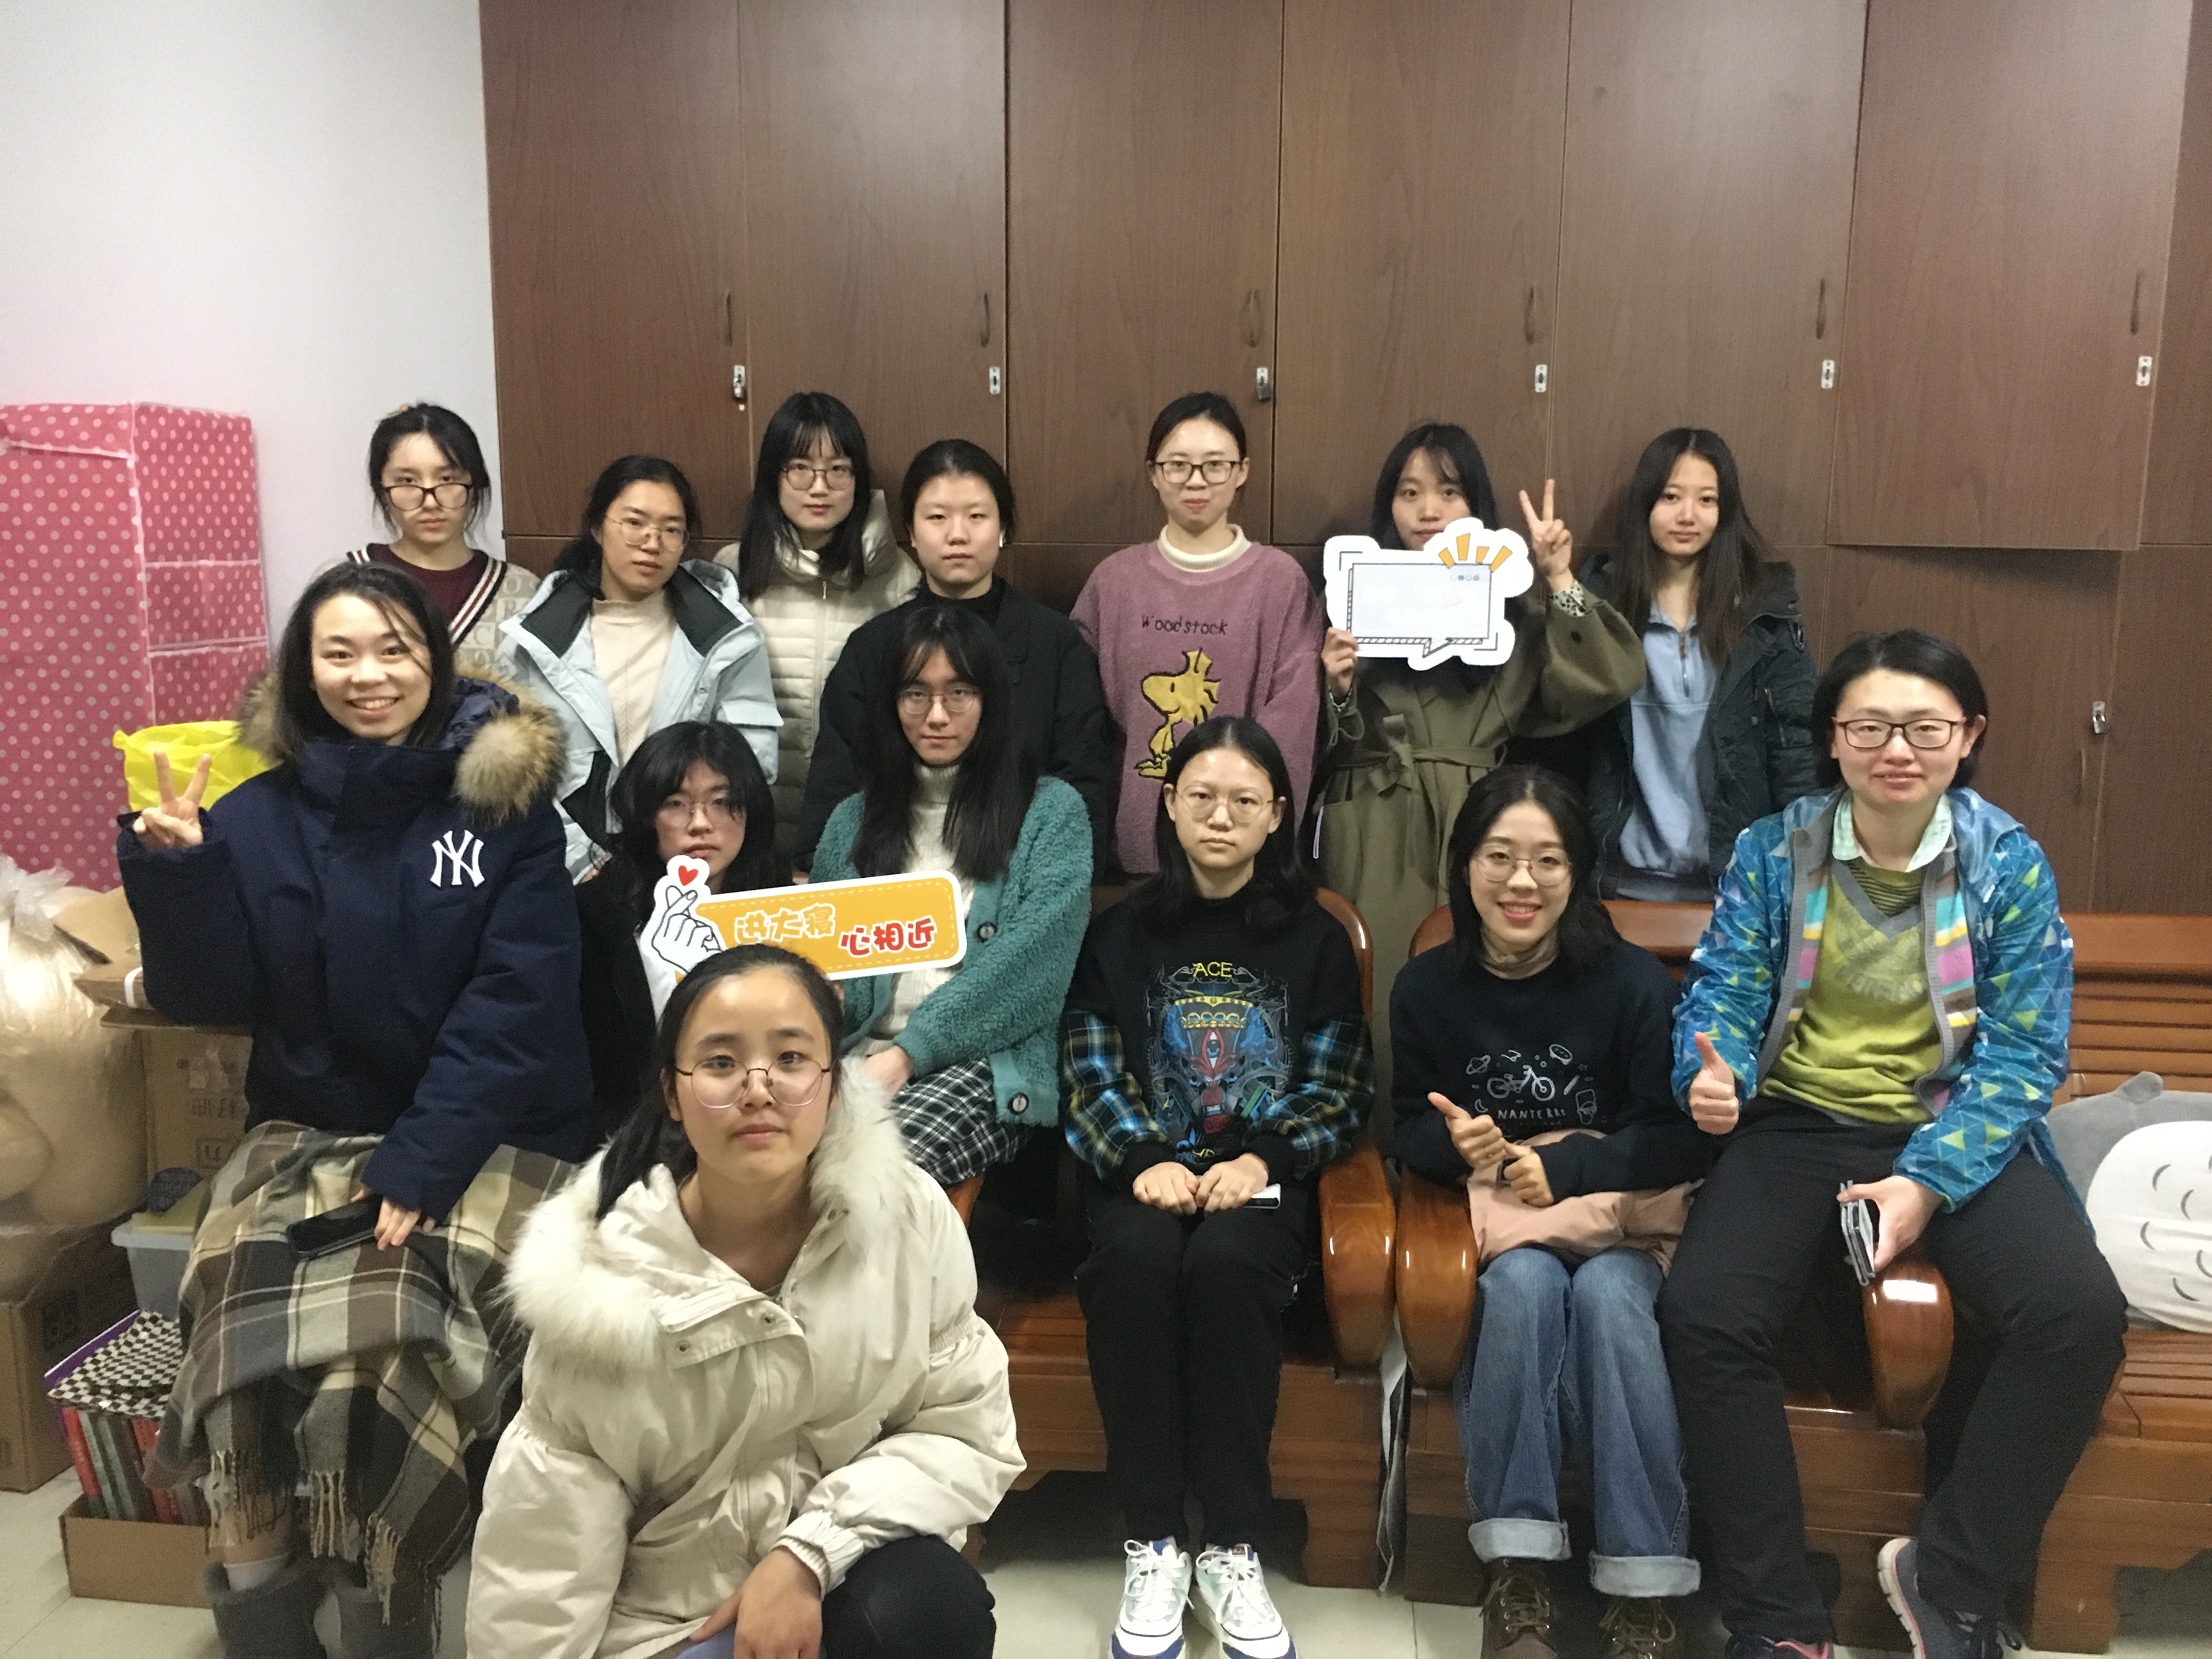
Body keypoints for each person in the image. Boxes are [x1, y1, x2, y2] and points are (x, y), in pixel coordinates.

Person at [116, 562, 596, 1659]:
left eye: (394, 649)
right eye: (339, 653)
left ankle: (387, 1613)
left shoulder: (504, 810)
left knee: (387, 1343)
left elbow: (516, 1006)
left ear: (436, 662)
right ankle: (267, 1623)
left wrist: (420, 1161)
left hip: (493, 1130)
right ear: (304, 670)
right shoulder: (253, 815)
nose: (368, 674)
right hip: (307, 1130)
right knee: (232, 1322)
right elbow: (209, 997)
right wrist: (181, 875)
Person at [1657, 630, 2128, 1659]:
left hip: (1952, 1127)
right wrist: (1710, 1072)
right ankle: (1779, 1618)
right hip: (1798, 1122)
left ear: (1969, 736)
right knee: (1704, 1314)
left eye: (1924, 727)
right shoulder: (1775, 849)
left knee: (2077, 1315)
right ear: (1833, 738)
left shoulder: (2007, 862)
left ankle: (1952, 1582)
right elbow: (1723, 990)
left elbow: (2024, 1055)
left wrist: (1925, 1182)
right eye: (1869, 727)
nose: (1897, 750)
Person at [468, 944, 1019, 1659]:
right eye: (722, 1062)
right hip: (671, 1624)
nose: (759, 1090)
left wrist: (805, 1557)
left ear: (834, 1083)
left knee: (929, 1606)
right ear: (672, 1093)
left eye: (791, 1058)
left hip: (837, 1573)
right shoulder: (600, 1290)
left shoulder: (905, 1220)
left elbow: (964, 1430)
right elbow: (544, 1553)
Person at [1064, 717, 1372, 1659]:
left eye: (1245, 799)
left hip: (1259, 1181)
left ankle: (1233, 1542)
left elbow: (1337, 1086)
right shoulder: (1119, 932)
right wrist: (1140, 1159)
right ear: (1169, 803)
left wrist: (1261, 1159)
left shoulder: (1317, 937)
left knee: (1231, 1266)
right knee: (1135, 1260)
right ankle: (1154, 1537)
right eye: (1201, 795)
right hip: (1142, 1172)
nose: (1221, 816)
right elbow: (1089, 1071)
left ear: (1278, 814)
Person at [1393, 767, 1712, 1659]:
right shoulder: (1425, 988)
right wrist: (1452, 1144)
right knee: (1523, 1288)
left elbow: (1679, 1138)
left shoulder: (1632, 984)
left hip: (1619, 1226)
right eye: (1499, 856)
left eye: (1547, 860)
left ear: (1577, 872)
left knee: (1612, 1300)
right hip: (1510, 1235)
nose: (1521, 882)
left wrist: (1568, 1165)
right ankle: (1518, 1570)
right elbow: (1406, 1125)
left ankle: (1643, 1587)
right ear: (1465, 864)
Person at [1316, 424, 1644, 1094]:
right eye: (1410, 493)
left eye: (1449, 492)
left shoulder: (1511, 609)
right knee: (1370, 993)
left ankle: (1477, 1138)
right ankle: (1376, 1146)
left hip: (1479, 819)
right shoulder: (1350, 596)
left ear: (1476, 506)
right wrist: (1339, 689)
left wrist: (1558, 576)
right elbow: (1309, 742)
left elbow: (1608, 678)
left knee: (1480, 988)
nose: (1428, 511)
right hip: (1374, 816)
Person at [809, 604, 1090, 1185]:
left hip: (982, 1064)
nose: (937, 715)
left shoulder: (1050, 812)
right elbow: (836, 968)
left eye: (959, 693)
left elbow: (1031, 975)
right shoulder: (851, 822)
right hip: (855, 1058)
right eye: (916, 694)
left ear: (991, 701)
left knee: (859, 1178)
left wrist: (907, 1054)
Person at [797, 438, 1115, 871]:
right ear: (911, 532)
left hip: (1022, 878)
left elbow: (1084, 783)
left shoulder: (1055, 643)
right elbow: (836, 790)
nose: (958, 534)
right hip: (893, 879)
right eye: (937, 517)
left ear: (1003, 528)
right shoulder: (873, 648)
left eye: (977, 516)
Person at [1073, 392, 1324, 877]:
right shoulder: (1114, 582)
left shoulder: (1280, 583)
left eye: (1215, 465)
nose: (1196, 481)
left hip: (1244, 856)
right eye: (1178, 466)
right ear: (1153, 473)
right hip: (1134, 851)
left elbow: (1293, 724)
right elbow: (1083, 725)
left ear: (1242, 471)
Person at [498, 455, 778, 879]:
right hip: (571, 870)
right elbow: (515, 776)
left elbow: (751, 763)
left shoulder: (727, 636)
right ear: (598, 527)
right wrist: (584, 863)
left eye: (672, 530)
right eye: (634, 523)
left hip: (693, 866)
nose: (652, 543)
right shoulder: (535, 640)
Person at [1579, 428, 1819, 901]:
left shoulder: (1763, 612)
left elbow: (1797, 747)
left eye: (1707, 500)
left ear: (1725, 512)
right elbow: (1564, 738)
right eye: (1671, 497)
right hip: (1618, 881)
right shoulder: (1603, 607)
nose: (1688, 515)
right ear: (1645, 504)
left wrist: (1802, 867)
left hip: (1737, 884)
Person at [713, 392, 918, 860]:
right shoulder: (733, 572)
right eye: (800, 468)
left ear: (859, 479)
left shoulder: (898, 578)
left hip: (861, 825)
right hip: (748, 825)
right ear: (774, 476)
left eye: (838, 470)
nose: (819, 487)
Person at [575, 721, 789, 1139]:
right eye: (675, 803)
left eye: (722, 802)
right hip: (634, 1130)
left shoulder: (781, 905)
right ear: (645, 816)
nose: (700, 823)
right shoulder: (595, 915)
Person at [338, 402, 539, 677]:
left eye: (447, 479)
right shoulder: (341, 582)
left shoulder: (522, 593)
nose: (430, 502)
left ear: (475, 485)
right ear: (382, 491)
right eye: (407, 481)